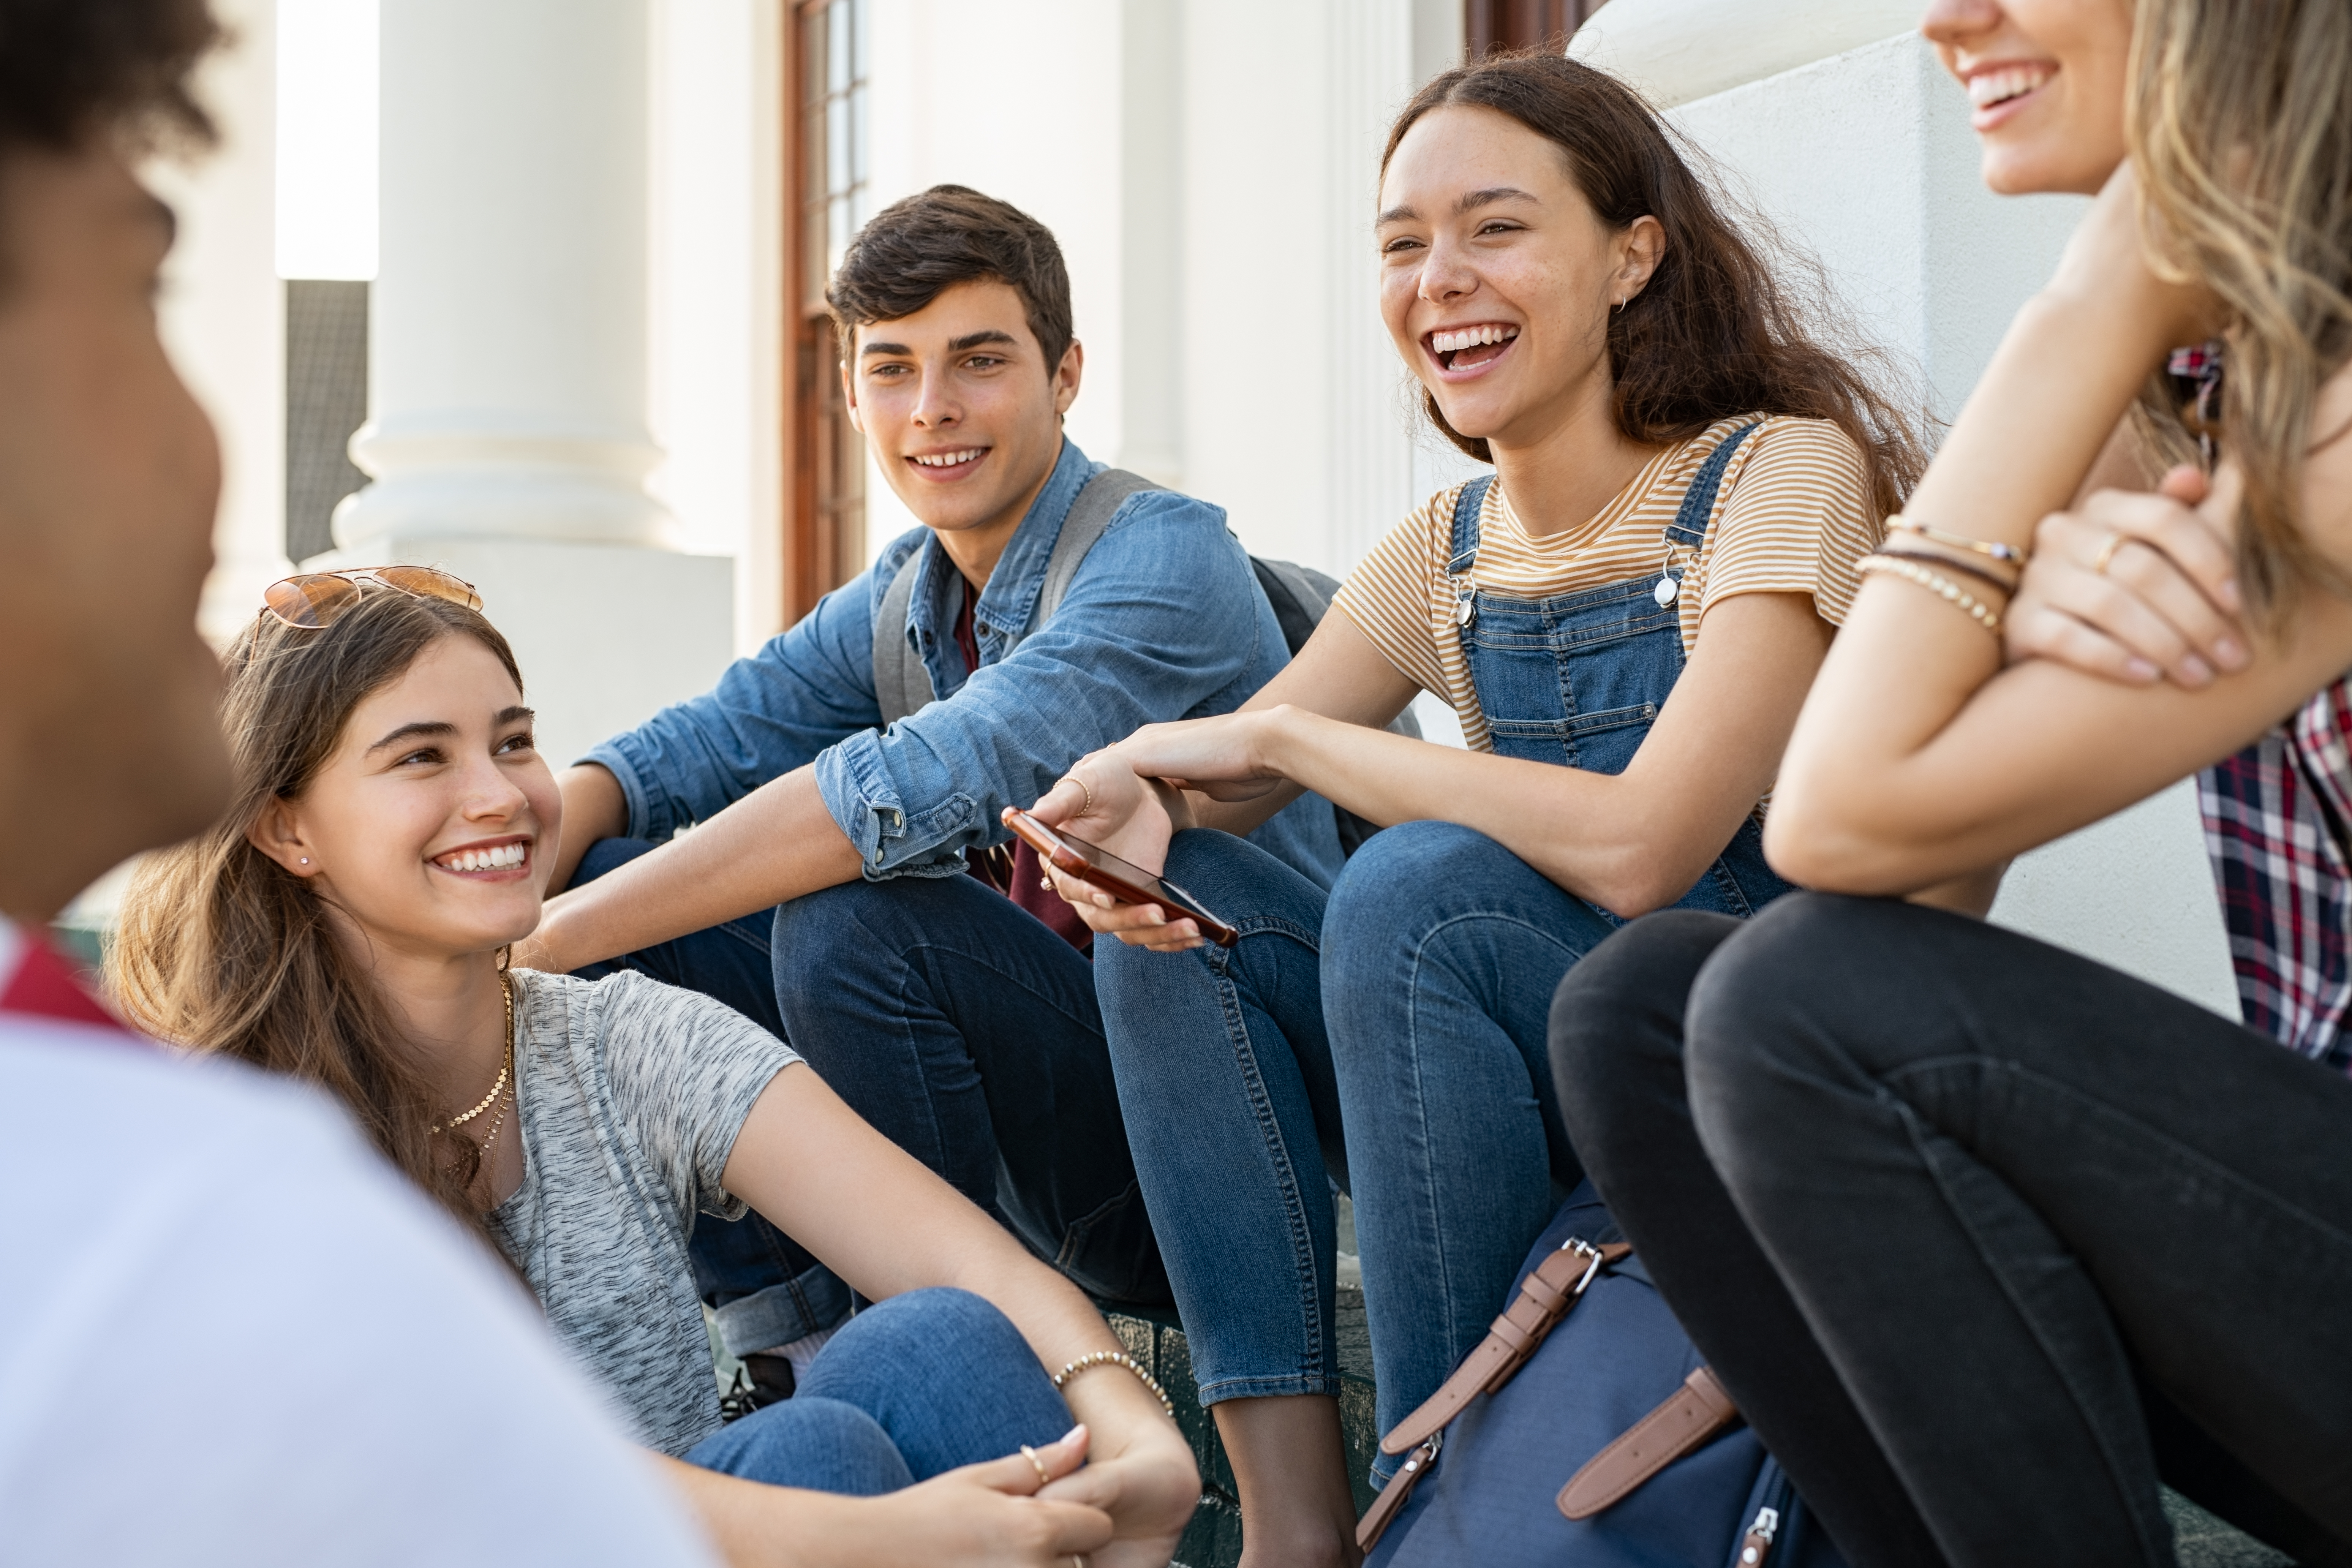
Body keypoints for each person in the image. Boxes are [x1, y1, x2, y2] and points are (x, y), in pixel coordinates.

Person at [1025, 50, 1927, 1568]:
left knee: (1419, 890)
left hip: (1732, 1069)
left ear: (1634, 253)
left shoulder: (1777, 475)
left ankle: (1443, 1511)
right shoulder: (1444, 543)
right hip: (1516, 1062)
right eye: (1401, 243)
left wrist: (1293, 750)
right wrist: (1148, 789)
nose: (1441, 278)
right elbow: (1250, 759)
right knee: (1178, 927)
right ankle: (1303, 1530)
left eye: (1495, 228)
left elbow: (1649, 848)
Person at [1548, 0, 2352, 1563]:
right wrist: (2008, 607)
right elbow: (1890, 895)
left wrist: (2096, 288)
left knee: (1789, 1005)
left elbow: (1834, 825)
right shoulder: (2207, 388)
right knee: (1648, 1012)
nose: (1946, 15)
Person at [0, 2, 718, 1562]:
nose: (210, 449)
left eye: (512, 740)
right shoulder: (176, 1218)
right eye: (139, 292)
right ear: (289, 827)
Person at [111, 576, 1200, 1567]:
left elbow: (978, 1270)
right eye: (421, 757)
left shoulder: (614, 1044)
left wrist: (1136, 1432)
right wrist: (871, 1535)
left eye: (514, 742)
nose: (499, 797)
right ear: (285, 828)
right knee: (814, 1456)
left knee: (941, 1343)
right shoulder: (244, 1135)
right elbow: (478, 1481)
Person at [515, 185, 1343, 1384]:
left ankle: (933, 1363)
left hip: (1209, 1151)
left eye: (979, 361)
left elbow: (891, 792)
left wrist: (529, 952)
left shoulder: (1163, 560)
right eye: (892, 369)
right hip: (1034, 1114)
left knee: (854, 922)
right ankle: (799, 1342)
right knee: (616, 887)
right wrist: (529, 900)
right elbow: (688, 751)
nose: (932, 410)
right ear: (850, 392)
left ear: (1066, 374)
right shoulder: (913, 591)